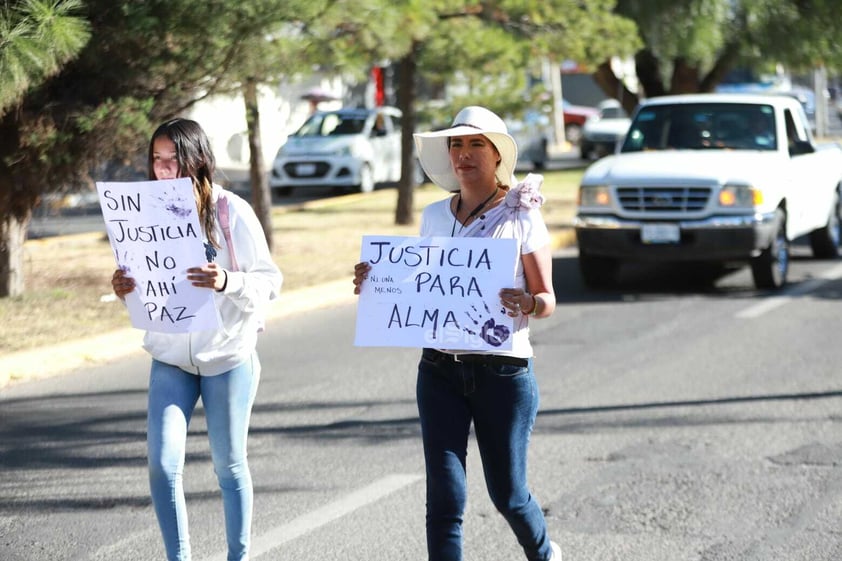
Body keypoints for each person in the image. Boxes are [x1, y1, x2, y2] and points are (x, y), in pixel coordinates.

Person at [353, 106, 561, 561]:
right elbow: (422, 286)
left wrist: (526, 303)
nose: (463, 154)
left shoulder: (520, 214)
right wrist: (375, 281)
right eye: (456, 144)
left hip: (503, 373)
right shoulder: (432, 216)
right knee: (444, 498)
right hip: (439, 370)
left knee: (508, 494)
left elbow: (547, 299)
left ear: (495, 154)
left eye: (475, 144)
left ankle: (544, 553)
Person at [111, 118, 282, 561]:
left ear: (199, 160)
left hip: (227, 358)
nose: (165, 169)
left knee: (228, 466)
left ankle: (237, 557)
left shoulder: (230, 211)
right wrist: (123, 287)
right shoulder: (141, 213)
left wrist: (226, 280)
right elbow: (142, 278)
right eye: (157, 160)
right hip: (170, 357)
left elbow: (270, 282)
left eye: (175, 160)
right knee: (163, 466)